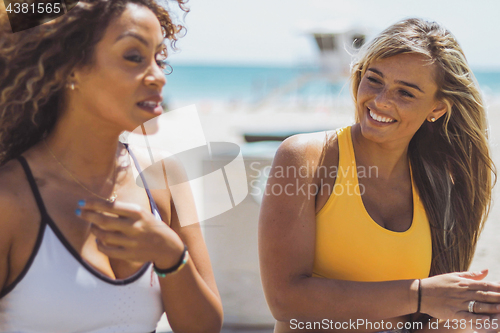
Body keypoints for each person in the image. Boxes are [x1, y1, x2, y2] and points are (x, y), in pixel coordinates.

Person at [259, 18, 500, 333]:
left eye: (406, 93)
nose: (381, 100)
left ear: (437, 109)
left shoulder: (444, 181)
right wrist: (420, 295)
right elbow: (285, 301)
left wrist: (476, 314)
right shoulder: (306, 158)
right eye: (374, 80)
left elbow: (434, 318)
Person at [0, 0, 223, 332]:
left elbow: (204, 327)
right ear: (70, 68)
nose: (158, 76)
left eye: (159, 58)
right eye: (135, 57)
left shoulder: (164, 176)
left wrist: (170, 256)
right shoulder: (10, 199)